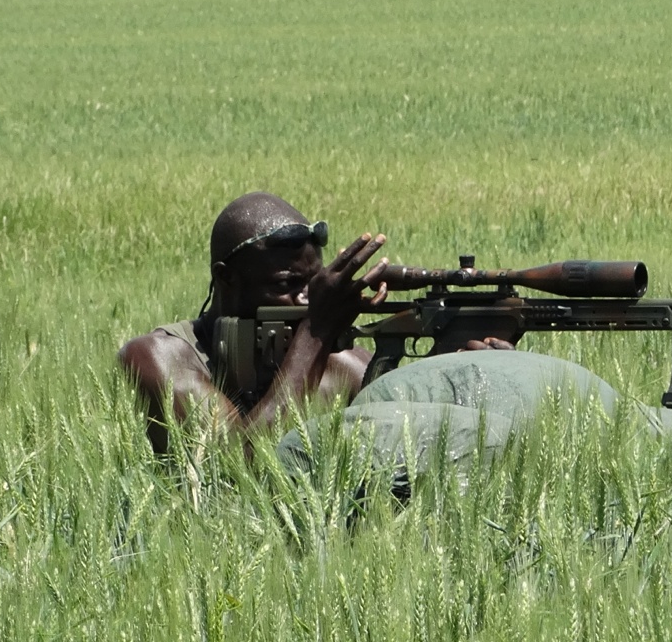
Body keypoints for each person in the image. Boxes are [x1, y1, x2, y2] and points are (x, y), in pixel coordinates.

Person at [118, 192, 511, 456]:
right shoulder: (158, 358)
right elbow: (237, 468)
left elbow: (416, 456)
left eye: (316, 284)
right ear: (226, 280)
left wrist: (461, 380)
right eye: (288, 285)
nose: (308, 300)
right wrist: (316, 334)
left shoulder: (349, 368)